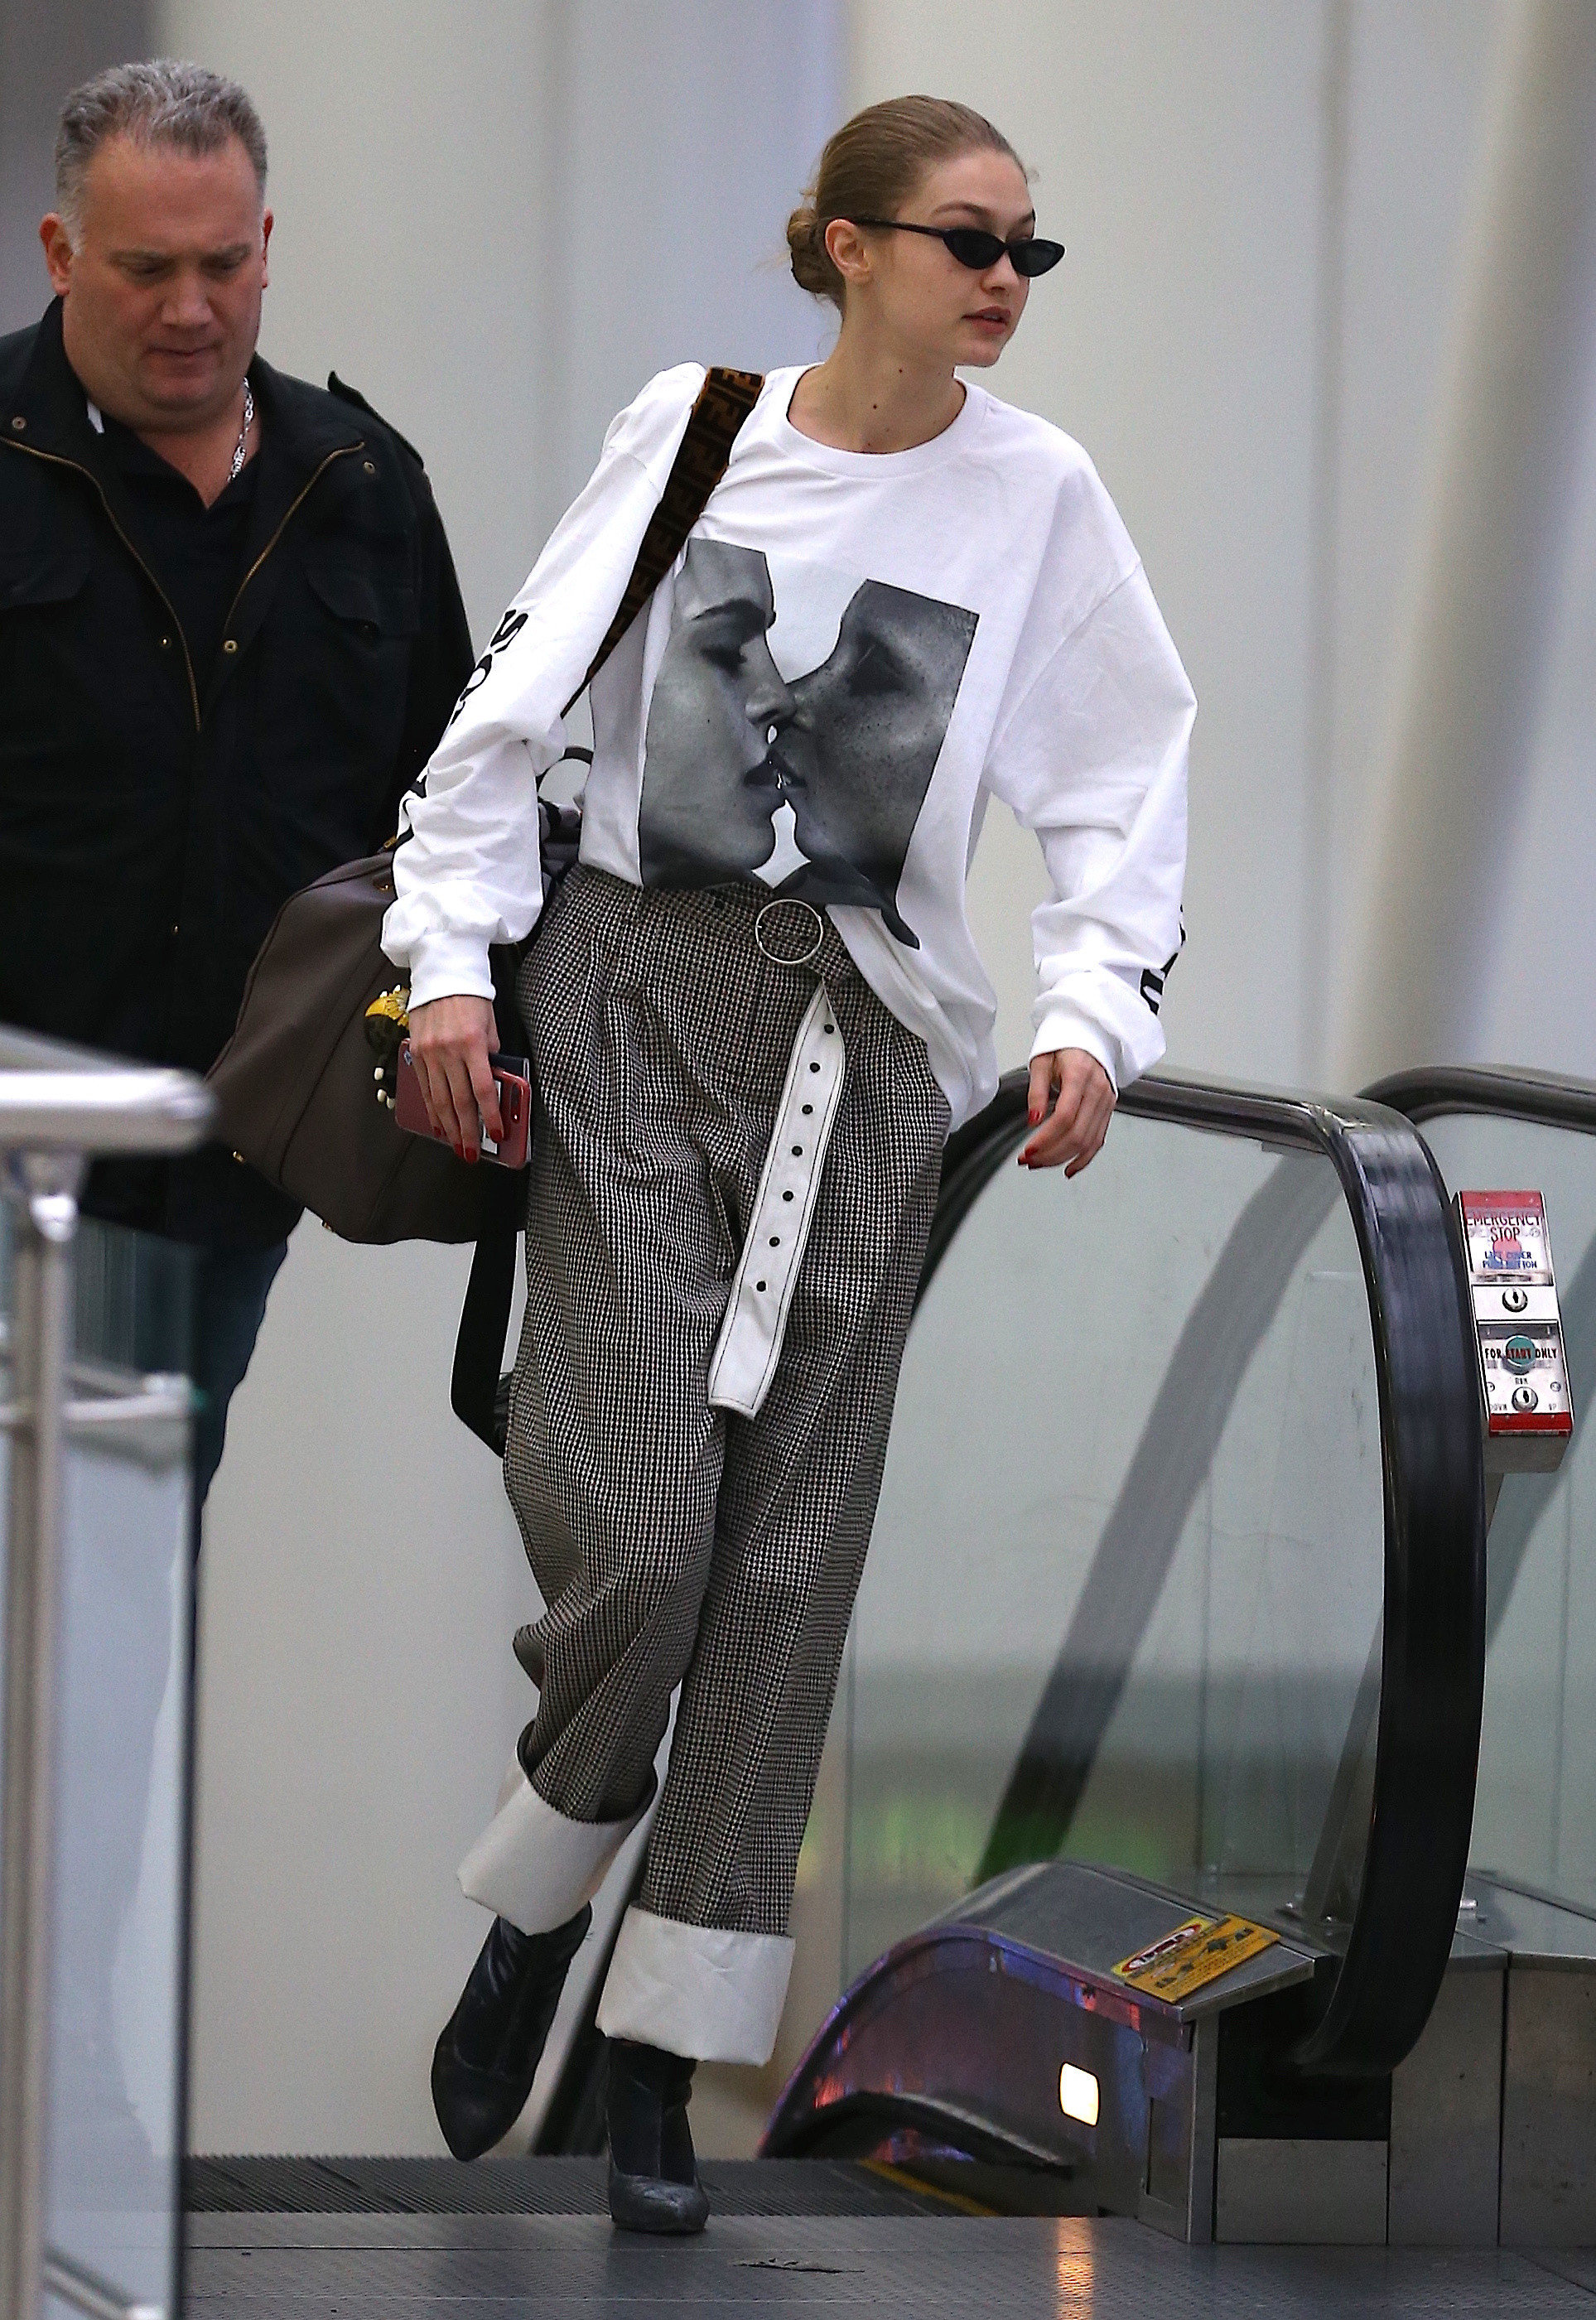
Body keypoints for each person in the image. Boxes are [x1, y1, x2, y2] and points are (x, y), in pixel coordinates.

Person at [383, 94, 1193, 2233]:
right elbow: (507, 711)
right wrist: (450, 966)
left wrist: (1090, 1017)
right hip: (631, 1004)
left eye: (1028, 249)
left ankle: (660, 2064)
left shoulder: (1039, 497)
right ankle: (548, 1884)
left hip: (867, 1053)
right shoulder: (697, 428)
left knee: (783, 1577)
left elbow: (1125, 778)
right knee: (642, 1528)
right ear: (842, 245)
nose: (1006, 281)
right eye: (967, 242)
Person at [0, 60, 474, 1500]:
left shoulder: (365, 489)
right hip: (17, 1131)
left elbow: (449, 805)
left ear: (267, 246)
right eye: (145, 270)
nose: (191, 308)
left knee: (129, 1554)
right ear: (62, 252)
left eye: (221, 264)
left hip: (227, 1161)